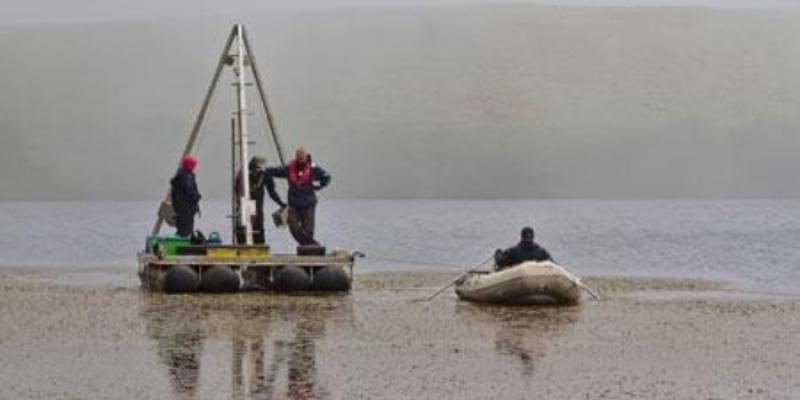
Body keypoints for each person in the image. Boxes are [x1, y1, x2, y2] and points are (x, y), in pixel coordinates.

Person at [266, 147, 331, 246]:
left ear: (306, 157)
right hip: (294, 204)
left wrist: (319, 186)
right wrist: (264, 169)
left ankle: (308, 249)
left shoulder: (313, 168)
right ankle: (313, 245)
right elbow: (276, 171)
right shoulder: (289, 168)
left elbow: (326, 177)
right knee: (294, 227)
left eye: (302, 158)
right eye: (298, 158)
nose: (300, 160)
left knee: (308, 230)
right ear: (296, 157)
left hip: (308, 204)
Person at [235, 156, 285, 244]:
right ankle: (244, 245)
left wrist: (281, 203)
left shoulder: (265, 174)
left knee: (258, 228)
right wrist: (240, 203)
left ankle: (259, 245)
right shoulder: (243, 174)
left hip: (257, 207)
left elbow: (272, 192)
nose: (260, 169)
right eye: (259, 166)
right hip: (246, 204)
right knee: (245, 227)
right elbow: (237, 190)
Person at [170, 153, 202, 237]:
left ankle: (181, 243)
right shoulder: (186, 177)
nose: (194, 167)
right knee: (186, 231)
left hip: (181, 210)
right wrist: (197, 197)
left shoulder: (181, 176)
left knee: (183, 230)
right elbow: (190, 192)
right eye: (193, 165)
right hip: (185, 210)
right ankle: (184, 246)